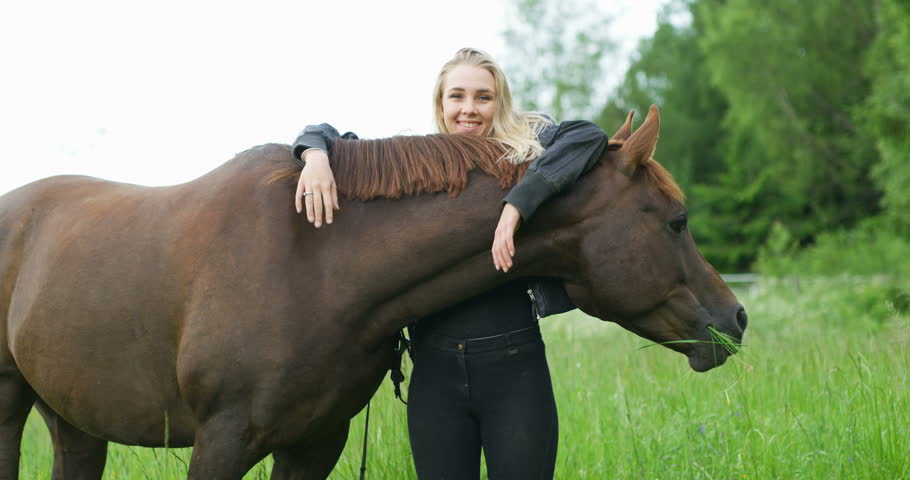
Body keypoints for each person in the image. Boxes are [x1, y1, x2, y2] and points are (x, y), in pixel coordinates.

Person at [290, 48, 608, 479]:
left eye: (484, 97)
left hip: (516, 372)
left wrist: (519, 203)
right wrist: (314, 156)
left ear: (500, 103)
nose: (469, 109)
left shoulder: (524, 154)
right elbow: (324, 132)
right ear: (440, 104)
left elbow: (587, 136)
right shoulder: (419, 168)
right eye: (457, 96)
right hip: (435, 378)